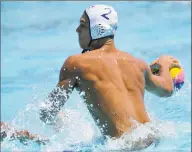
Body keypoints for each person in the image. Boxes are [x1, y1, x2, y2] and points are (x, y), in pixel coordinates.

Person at [39, 4, 181, 150]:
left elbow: (47, 112)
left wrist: (63, 123)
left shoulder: (76, 63)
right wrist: (164, 63)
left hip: (124, 147)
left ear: (97, 28)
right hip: (152, 139)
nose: (77, 30)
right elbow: (167, 90)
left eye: (82, 25)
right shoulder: (138, 64)